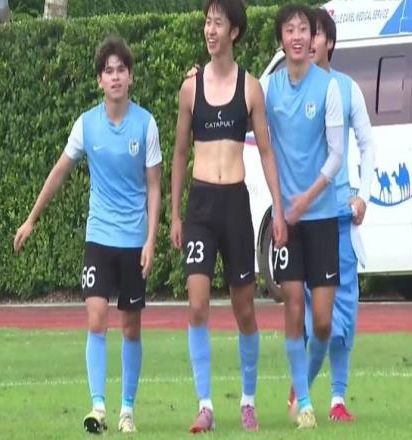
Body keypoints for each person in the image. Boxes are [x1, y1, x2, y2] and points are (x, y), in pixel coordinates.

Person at [13, 36, 162, 434]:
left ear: (130, 77)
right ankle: (98, 407)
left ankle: (127, 409)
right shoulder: (86, 124)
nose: (115, 77)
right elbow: (59, 172)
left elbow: (154, 186)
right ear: (99, 80)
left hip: (133, 240)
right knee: (96, 319)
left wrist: (151, 239)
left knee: (131, 327)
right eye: (108, 71)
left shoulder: (146, 124)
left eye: (121, 70)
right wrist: (31, 219)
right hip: (99, 237)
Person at [171, 0, 287, 433]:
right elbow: (179, 153)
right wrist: (175, 215)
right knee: (197, 304)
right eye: (207, 22)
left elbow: (268, 152)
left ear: (234, 31)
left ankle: (248, 402)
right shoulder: (190, 88)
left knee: (245, 310)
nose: (210, 30)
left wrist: (279, 210)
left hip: (235, 204)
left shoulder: (251, 88)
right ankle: (205, 405)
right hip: (201, 206)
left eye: (218, 23)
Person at [260, 4, 344, 429]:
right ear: (281, 39)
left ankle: (301, 388)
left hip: (321, 216)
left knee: (324, 323)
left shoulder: (328, 88)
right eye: (290, 30)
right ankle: (307, 405)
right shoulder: (268, 88)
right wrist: (281, 208)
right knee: (293, 304)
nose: (297, 36)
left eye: (304, 30)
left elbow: (336, 156)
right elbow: (235, 103)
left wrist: (304, 201)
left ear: (313, 38)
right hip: (287, 222)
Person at [289, 7, 375, 423]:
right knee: (310, 315)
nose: (307, 39)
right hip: (302, 219)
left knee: (343, 313)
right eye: (302, 31)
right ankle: (302, 388)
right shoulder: (286, 86)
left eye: (316, 33)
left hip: (339, 217)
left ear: (330, 43)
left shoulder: (346, 88)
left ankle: (336, 399)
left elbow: (367, 144)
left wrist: (363, 196)